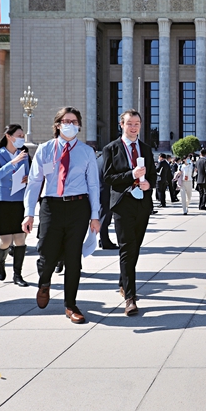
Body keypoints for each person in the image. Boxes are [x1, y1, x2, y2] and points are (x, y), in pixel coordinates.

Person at [22, 107, 100, 324]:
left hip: (78, 207)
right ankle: (44, 282)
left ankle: (71, 304)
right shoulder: (45, 150)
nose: (70, 125)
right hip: (51, 206)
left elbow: (93, 184)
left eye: (74, 121)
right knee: (47, 252)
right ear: (57, 124)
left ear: (79, 125)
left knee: (73, 258)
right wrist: (29, 214)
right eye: (66, 121)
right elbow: (35, 181)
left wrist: (95, 215)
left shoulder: (86, 152)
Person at [103, 109, 157, 316]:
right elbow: (108, 177)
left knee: (135, 248)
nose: (133, 127)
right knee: (127, 249)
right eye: (129, 123)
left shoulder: (145, 148)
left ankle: (123, 282)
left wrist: (149, 184)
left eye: (137, 123)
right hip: (123, 205)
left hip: (142, 204)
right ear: (121, 125)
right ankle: (130, 298)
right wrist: (130, 174)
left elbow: (153, 175)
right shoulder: (112, 149)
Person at [0, 124, 30, 286]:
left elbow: (27, 174)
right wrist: (13, 162)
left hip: (19, 199)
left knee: (20, 238)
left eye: (23, 136)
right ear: (9, 136)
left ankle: (17, 275)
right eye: (19, 135)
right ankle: (1, 261)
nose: (22, 139)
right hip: (2, 200)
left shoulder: (24, 155)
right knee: (5, 240)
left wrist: (27, 179)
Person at [96, 152, 117, 250]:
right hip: (106, 192)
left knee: (103, 216)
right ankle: (105, 241)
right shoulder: (106, 161)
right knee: (105, 218)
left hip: (100, 191)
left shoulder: (99, 160)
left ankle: (102, 240)